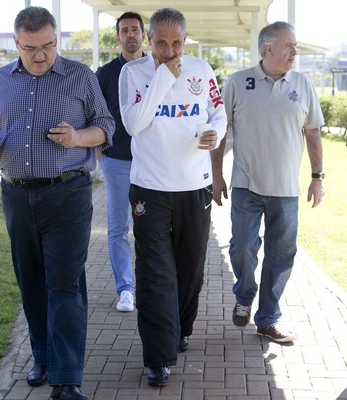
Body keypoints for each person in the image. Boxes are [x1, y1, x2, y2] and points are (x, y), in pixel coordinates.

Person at [0, 7, 114, 400]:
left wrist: (78, 138)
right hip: (16, 195)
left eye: (48, 46)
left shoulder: (80, 77)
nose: (40, 56)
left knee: (65, 285)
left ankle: (66, 379)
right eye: (31, 48)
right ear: (16, 43)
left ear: (57, 40)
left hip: (67, 194)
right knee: (31, 282)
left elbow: (106, 126)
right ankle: (42, 358)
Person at [118, 7, 227, 386]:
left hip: (193, 187)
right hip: (150, 189)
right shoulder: (133, 73)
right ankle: (157, 358)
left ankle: (180, 327)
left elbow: (219, 111)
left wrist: (215, 130)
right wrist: (163, 78)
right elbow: (134, 124)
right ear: (149, 40)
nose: (169, 50)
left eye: (176, 43)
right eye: (161, 43)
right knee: (154, 273)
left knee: (190, 268)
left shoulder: (201, 69)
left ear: (185, 39)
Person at [214, 21, 325, 343]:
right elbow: (221, 131)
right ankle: (244, 295)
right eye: (289, 45)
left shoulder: (303, 85)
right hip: (246, 186)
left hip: (287, 190)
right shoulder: (238, 82)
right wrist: (217, 175)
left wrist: (317, 178)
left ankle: (268, 319)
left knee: (281, 255)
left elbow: (313, 132)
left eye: (295, 46)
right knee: (242, 250)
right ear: (269, 48)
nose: (295, 52)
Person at [95, 12, 146, 313]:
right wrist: (101, 157)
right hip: (116, 163)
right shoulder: (104, 74)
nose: (130, 34)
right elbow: (94, 116)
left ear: (144, 35)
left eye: (135, 30)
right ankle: (125, 289)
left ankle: (150, 286)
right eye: (124, 30)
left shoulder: (156, 68)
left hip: (152, 164)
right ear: (117, 37)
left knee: (150, 227)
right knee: (118, 228)